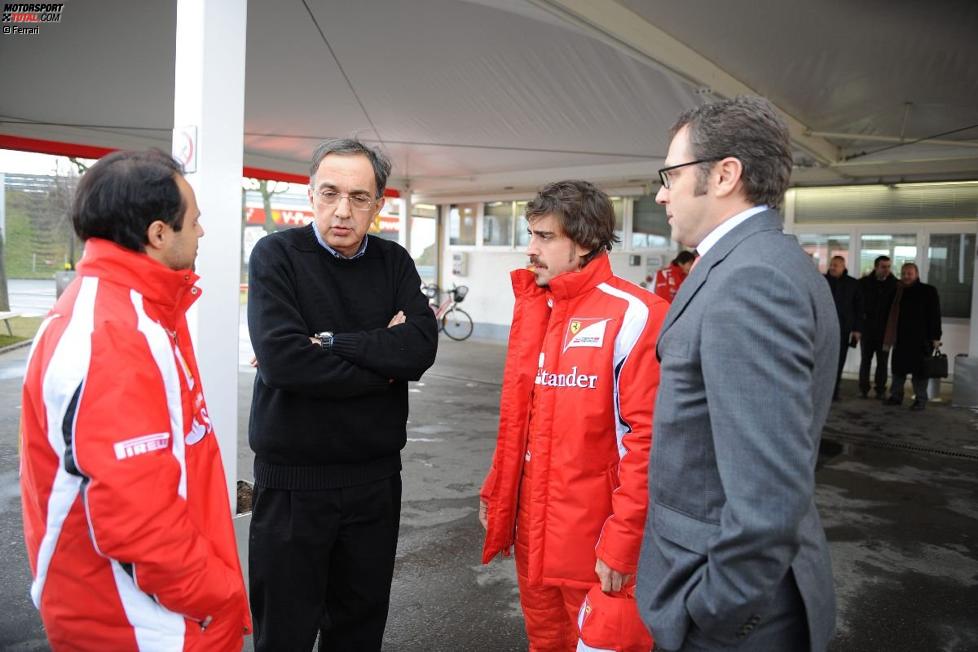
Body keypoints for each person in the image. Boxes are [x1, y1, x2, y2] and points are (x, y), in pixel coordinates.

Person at [20, 150, 251, 650]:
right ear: (158, 233)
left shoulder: (134, 311)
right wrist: (219, 593)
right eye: (195, 220)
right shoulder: (114, 336)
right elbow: (137, 522)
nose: (203, 233)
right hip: (144, 625)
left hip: (154, 614)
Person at [636, 96, 838, 652]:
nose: (661, 193)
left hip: (734, 618)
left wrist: (712, 615)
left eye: (671, 175)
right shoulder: (763, 261)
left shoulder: (751, 279)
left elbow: (767, 498)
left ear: (725, 175)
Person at [246, 138, 438, 650]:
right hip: (293, 485)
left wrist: (331, 343)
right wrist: (385, 364)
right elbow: (286, 362)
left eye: (359, 197)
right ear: (310, 194)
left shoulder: (395, 262)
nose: (343, 210)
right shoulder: (276, 255)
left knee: (358, 629)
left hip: (374, 483)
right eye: (330, 193)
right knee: (283, 634)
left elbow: (419, 349)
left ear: (379, 205)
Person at [479, 180, 667, 651]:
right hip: (534, 539)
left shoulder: (636, 314)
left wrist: (623, 544)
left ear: (583, 242)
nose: (530, 249)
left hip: (596, 550)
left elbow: (648, 444)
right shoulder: (539, 307)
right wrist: (496, 488)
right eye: (531, 234)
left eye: (544, 237)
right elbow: (521, 419)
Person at [883, 262, 942, 410]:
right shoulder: (896, 291)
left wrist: (935, 337)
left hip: (921, 340)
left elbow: (935, 315)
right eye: (903, 274)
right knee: (898, 371)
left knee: (920, 373)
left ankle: (920, 400)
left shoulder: (928, 291)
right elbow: (887, 313)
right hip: (900, 339)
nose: (906, 276)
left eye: (909, 273)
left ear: (916, 274)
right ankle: (896, 396)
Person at [825, 255, 863, 400]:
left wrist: (857, 329)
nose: (833, 267)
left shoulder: (853, 284)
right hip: (822, 328)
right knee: (821, 360)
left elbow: (859, 308)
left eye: (836, 265)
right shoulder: (822, 281)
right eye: (831, 264)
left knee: (838, 361)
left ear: (843, 266)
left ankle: (833, 392)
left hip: (843, 328)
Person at [858, 255, 897, 399]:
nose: (886, 270)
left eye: (888, 266)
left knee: (883, 361)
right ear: (876, 267)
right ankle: (863, 388)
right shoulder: (863, 284)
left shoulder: (895, 285)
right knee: (865, 359)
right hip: (868, 329)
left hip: (885, 331)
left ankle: (880, 389)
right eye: (883, 267)